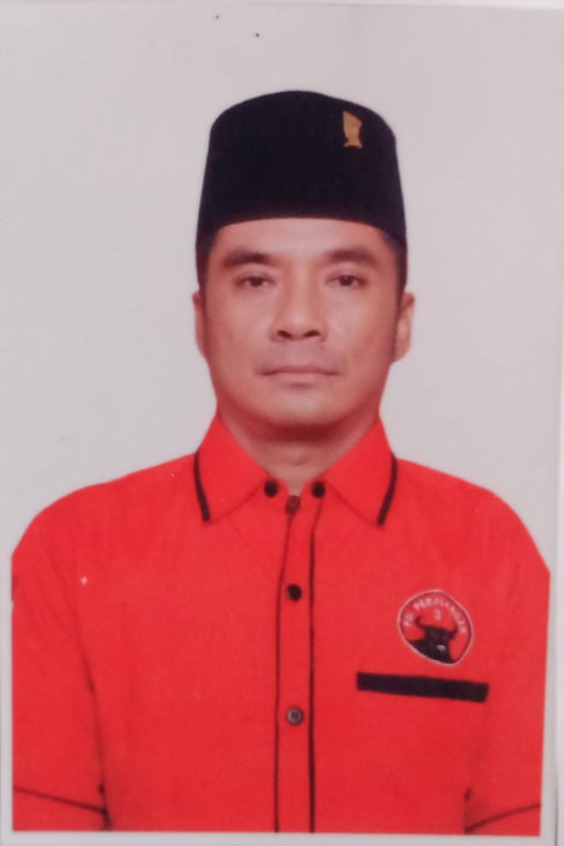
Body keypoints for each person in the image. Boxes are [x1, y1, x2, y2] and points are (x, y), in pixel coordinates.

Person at [12, 90, 549, 835]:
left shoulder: (494, 555)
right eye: (256, 280)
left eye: (345, 280)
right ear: (202, 318)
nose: (299, 320)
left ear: (402, 322)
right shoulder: (72, 552)